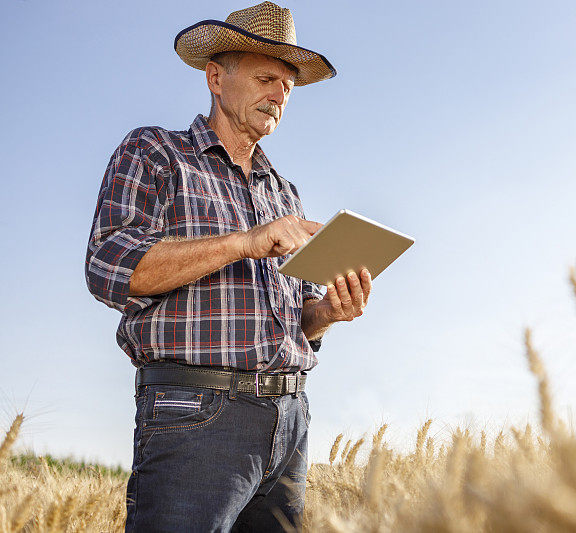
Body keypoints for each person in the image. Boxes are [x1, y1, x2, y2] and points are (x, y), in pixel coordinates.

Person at [84, 2, 371, 530]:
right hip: (195, 415)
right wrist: (246, 241)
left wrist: (327, 313)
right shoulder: (157, 153)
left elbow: (298, 322)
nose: (280, 94)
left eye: (287, 85)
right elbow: (108, 267)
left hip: (289, 422)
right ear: (216, 77)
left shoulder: (284, 193)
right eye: (266, 77)